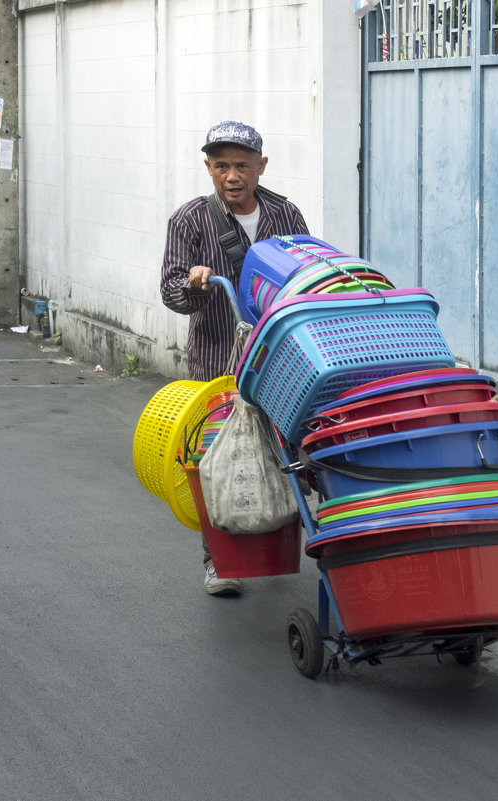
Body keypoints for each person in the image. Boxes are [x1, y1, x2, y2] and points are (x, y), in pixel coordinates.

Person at [159, 120, 309, 597]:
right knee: (214, 460)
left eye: (241, 165)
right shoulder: (190, 219)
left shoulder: (285, 215)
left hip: (276, 363)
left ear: (260, 167)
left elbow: (309, 272)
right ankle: (218, 560)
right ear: (208, 168)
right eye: (221, 165)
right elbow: (170, 291)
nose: (231, 175)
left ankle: (275, 547)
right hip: (216, 363)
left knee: (283, 452)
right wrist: (194, 285)